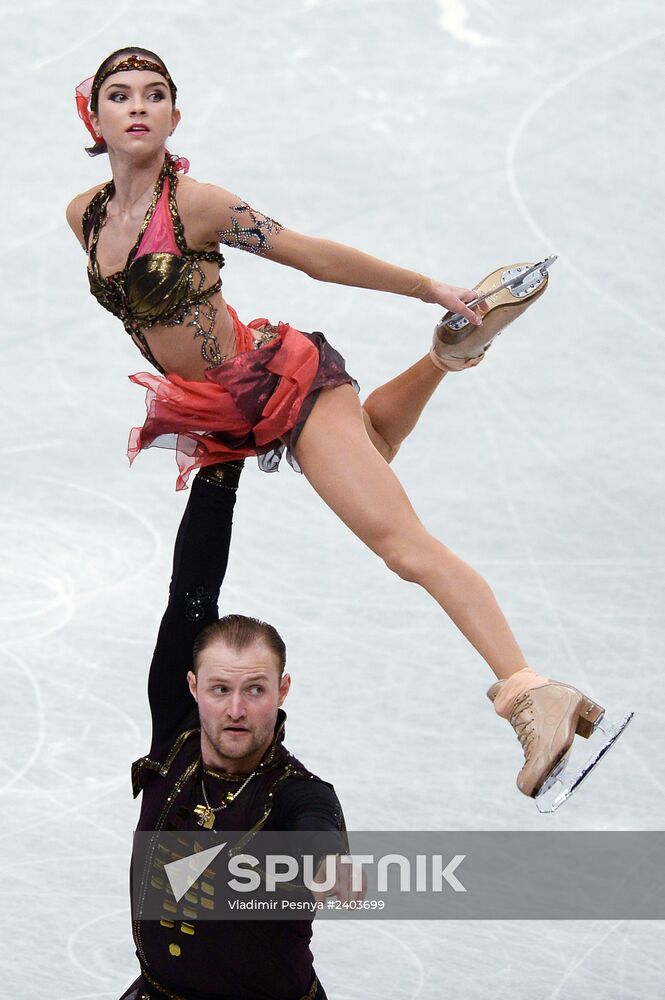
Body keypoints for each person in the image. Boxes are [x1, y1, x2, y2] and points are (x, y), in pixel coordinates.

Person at [67, 47, 629, 806]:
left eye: (155, 94)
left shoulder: (196, 204)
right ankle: (445, 358)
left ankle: (528, 689)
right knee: (373, 447)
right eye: (119, 94)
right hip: (220, 411)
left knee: (402, 546)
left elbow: (312, 257)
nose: (138, 105)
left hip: (279, 386)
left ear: (174, 115)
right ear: (93, 115)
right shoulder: (86, 215)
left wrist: (426, 285)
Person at [122, 460, 348, 1000]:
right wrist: (219, 471)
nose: (236, 710)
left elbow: (317, 826)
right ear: (193, 687)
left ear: (282, 690)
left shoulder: (297, 793)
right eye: (221, 690)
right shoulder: (177, 733)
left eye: (256, 690)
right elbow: (190, 596)